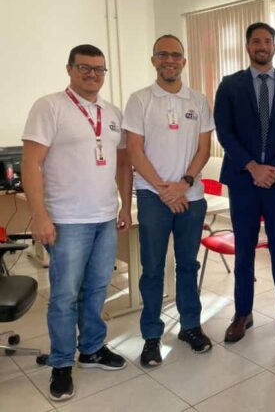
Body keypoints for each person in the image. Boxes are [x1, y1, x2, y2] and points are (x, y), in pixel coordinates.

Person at [22, 44, 132, 401]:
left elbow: (122, 163)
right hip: (67, 219)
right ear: (69, 69)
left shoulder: (112, 112)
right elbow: (30, 163)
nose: (92, 74)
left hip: (105, 217)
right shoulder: (49, 106)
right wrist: (39, 215)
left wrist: (124, 206)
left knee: (97, 288)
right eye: (84, 67)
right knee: (64, 296)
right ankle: (61, 363)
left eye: (99, 69)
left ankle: (92, 349)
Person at [215, 22, 275, 342]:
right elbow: (224, 130)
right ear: (247, 46)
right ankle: (243, 312)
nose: (262, 46)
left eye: (267, 41)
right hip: (243, 180)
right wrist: (252, 166)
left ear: (274, 46)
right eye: (256, 41)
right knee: (244, 249)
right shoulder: (229, 85)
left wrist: (274, 168)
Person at [122, 34, 215, 367]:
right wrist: (165, 190)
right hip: (153, 197)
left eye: (176, 55)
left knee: (188, 265)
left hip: (192, 197)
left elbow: (204, 149)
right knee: (152, 269)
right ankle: (151, 336)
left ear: (184, 61)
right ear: (154, 60)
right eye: (163, 54)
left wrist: (184, 184)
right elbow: (134, 152)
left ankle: (190, 326)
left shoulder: (198, 100)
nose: (170, 60)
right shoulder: (139, 100)